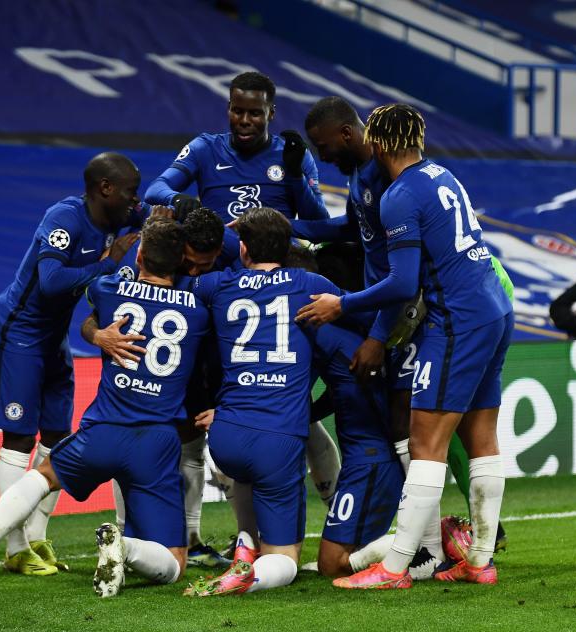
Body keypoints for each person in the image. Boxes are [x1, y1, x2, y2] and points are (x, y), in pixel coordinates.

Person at [297, 104, 514, 589]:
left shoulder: (398, 194)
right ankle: (479, 560)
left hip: (456, 319)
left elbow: (401, 284)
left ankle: (394, 569)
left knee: (424, 443)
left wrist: (342, 304)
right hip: (494, 308)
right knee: (482, 441)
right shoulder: (442, 174)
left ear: (375, 142)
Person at [0, 217, 208, 597]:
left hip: (103, 431)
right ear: (182, 261)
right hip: (156, 443)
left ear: (142, 254)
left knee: (43, 476)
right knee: (175, 561)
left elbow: (90, 316)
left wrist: (98, 334)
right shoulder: (199, 308)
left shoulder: (108, 289)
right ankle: (126, 547)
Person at [0, 152, 143, 576]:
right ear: (105, 189)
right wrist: (107, 262)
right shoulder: (64, 219)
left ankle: (36, 538)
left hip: (53, 340)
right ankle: (14, 548)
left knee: (56, 436)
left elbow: (156, 211)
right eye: (129, 191)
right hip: (18, 335)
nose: (134, 200)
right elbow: (50, 283)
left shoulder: (120, 216)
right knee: (18, 438)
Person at [182, 207, 342, 596]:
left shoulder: (216, 285)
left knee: (252, 480)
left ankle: (244, 543)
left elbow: (168, 290)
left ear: (243, 249)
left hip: (225, 434)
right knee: (286, 560)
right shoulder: (309, 282)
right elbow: (358, 307)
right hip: (279, 437)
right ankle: (250, 573)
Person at [83, 207, 234, 569]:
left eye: (205, 266)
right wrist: (99, 336)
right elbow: (92, 319)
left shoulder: (223, 266)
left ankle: (192, 538)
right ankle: (123, 531)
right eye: (191, 264)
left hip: (201, 369)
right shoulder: (143, 266)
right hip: (149, 374)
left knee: (193, 449)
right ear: (179, 251)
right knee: (134, 451)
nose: (196, 272)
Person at [285, 246, 404, 578]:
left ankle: (427, 540)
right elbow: (345, 386)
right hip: (365, 456)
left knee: (333, 566)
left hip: (371, 461)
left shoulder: (324, 334)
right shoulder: (351, 334)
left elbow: (363, 383)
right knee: (340, 557)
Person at [145, 71, 329, 223]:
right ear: (229, 109)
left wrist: (297, 177)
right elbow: (155, 189)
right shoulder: (205, 148)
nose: (244, 121)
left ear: (271, 113)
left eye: (255, 113)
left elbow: (319, 220)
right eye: (238, 111)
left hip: (277, 257)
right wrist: (176, 198)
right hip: (215, 253)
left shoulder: (294, 154)